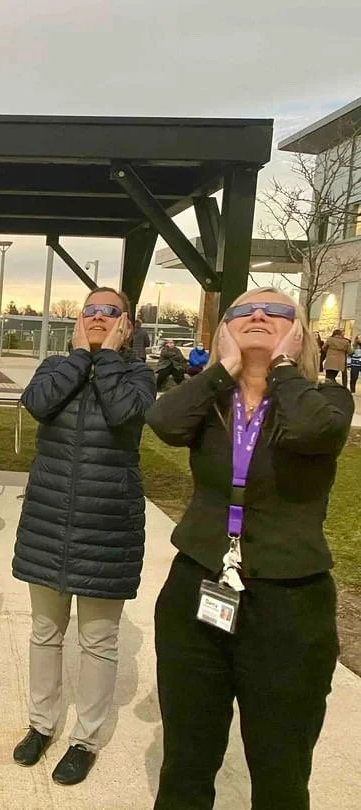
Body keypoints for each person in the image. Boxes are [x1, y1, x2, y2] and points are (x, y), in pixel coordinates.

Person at [146, 287, 353, 810]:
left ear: (298, 329)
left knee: (280, 771)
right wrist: (221, 371)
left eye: (276, 310)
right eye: (244, 311)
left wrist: (280, 366)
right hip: (200, 590)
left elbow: (314, 431)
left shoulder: (323, 398)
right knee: (186, 764)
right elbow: (163, 421)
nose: (259, 315)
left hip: (289, 604)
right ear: (224, 329)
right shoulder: (209, 398)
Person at [11, 287, 155, 786]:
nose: (97, 317)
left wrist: (108, 358)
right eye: (89, 311)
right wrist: (79, 357)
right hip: (49, 521)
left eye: (108, 312)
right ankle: (40, 725)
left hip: (106, 526)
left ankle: (86, 739)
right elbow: (38, 403)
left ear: (126, 324)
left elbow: (123, 414)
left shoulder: (138, 374)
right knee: (44, 634)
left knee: (98, 642)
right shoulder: (56, 365)